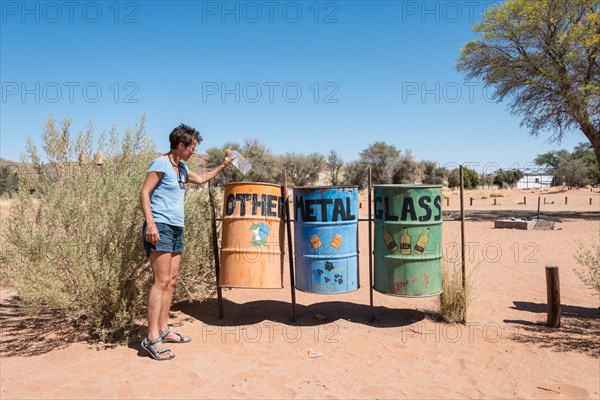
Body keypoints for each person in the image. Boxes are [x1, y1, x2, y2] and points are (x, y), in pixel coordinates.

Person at [139, 123, 232, 360]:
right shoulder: (161, 164)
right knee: (160, 282)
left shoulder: (180, 168)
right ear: (180, 146)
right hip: (159, 227)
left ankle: (163, 329)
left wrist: (223, 166)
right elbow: (144, 193)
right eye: (192, 148)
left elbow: (201, 179)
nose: (193, 152)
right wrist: (150, 224)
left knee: (171, 281)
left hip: (176, 228)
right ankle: (151, 339)